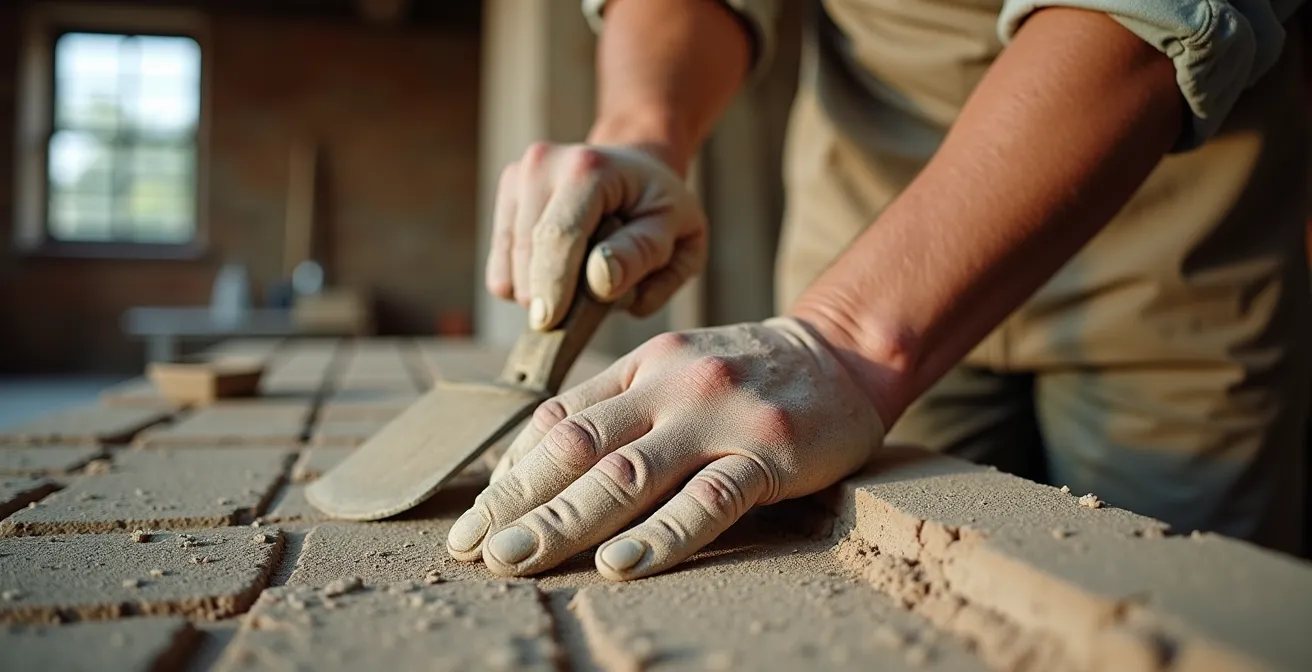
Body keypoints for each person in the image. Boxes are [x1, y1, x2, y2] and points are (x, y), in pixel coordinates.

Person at [445, 0, 1312, 580]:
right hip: (868, 215)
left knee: (1165, 601)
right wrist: (643, 127)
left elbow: (1148, 15)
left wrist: (840, 339)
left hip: (1167, 246)